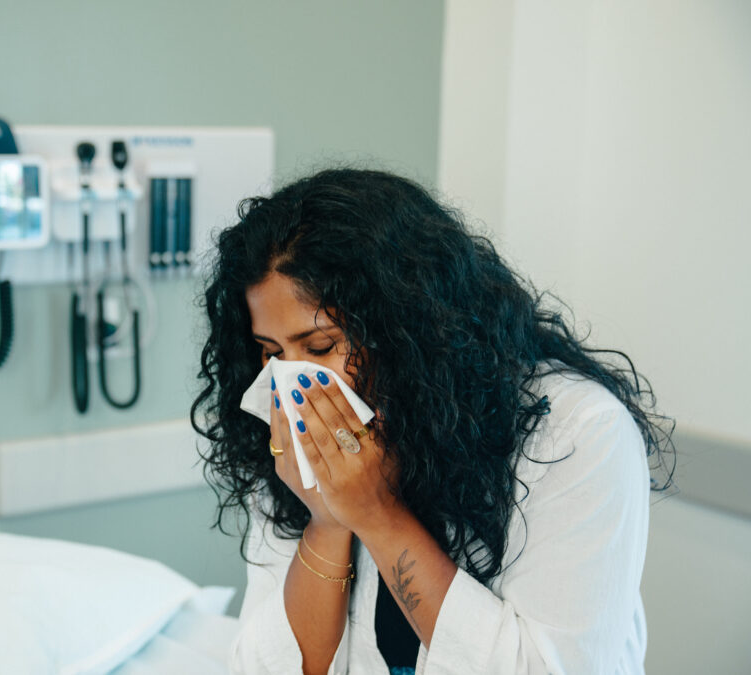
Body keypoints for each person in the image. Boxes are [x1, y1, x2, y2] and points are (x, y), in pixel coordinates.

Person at [191, 169, 674, 675]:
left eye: (319, 347)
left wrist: (376, 514)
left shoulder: (580, 432)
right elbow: (263, 667)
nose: (291, 382)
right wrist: (327, 520)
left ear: (407, 327)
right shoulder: (284, 431)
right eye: (270, 352)